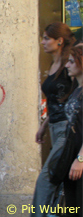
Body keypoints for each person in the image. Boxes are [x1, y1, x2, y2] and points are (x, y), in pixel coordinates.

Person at [33, 22, 78, 217]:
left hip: (68, 129)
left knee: (46, 179)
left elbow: (74, 101)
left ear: (59, 41)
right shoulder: (54, 65)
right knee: (59, 179)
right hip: (54, 128)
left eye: (46, 38)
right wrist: (43, 125)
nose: (42, 42)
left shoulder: (71, 64)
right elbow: (57, 101)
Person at [63, 45, 83, 216]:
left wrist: (80, 159)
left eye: (71, 61)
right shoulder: (76, 90)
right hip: (72, 153)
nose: (67, 66)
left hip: (80, 156)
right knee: (72, 207)